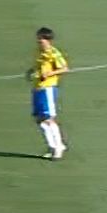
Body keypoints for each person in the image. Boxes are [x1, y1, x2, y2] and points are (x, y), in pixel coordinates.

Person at [29, 26, 69, 160]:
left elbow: (65, 68)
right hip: (37, 88)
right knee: (39, 119)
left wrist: (50, 73)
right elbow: (37, 66)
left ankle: (59, 147)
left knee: (49, 118)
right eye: (38, 39)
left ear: (48, 40)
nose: (39, 41)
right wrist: (31, 71)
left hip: (48, 89)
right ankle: (51, 146)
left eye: (41, 39)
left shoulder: (54, 53)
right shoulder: (38, 52)